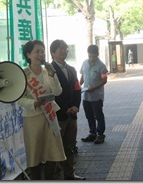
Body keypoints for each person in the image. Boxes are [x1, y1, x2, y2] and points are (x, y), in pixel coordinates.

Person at [18, 40, 66, 180]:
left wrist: (53, 76)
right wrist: (34, 102)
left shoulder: (49, 71)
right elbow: (19, 99)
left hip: (50, 116)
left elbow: (57, 92)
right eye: (37, 51)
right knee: (35, 155)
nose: (41, 54)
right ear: (28, 54)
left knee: (54, 153)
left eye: (42, 51)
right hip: (32, 119)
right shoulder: (23, 74)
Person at [50, 39, 85, 180]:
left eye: (65, 49)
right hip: (59, 115)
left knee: (70, 147)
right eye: (60, 49)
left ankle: (70, 175)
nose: (64, 51)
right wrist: (65, 109)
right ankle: (57, 176)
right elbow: (53, 94)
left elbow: (77, 89)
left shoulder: (71, 69)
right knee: (57, 149)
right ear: (53, 52)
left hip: (72, 114)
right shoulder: (49, 70)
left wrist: (76, 106)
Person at [80, 45, 108, 144]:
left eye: (94, 56)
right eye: (90, 56)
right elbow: (82, 76)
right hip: (86, 95)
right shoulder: (84, 63)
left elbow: (104, 80)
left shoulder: (101, 66)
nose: (92, 58)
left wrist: (94, 88)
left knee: (98, 115)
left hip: (97, 96)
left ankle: (100, 135)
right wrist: (79, 85)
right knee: (89, 115)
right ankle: (92, 133)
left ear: (97, 55)